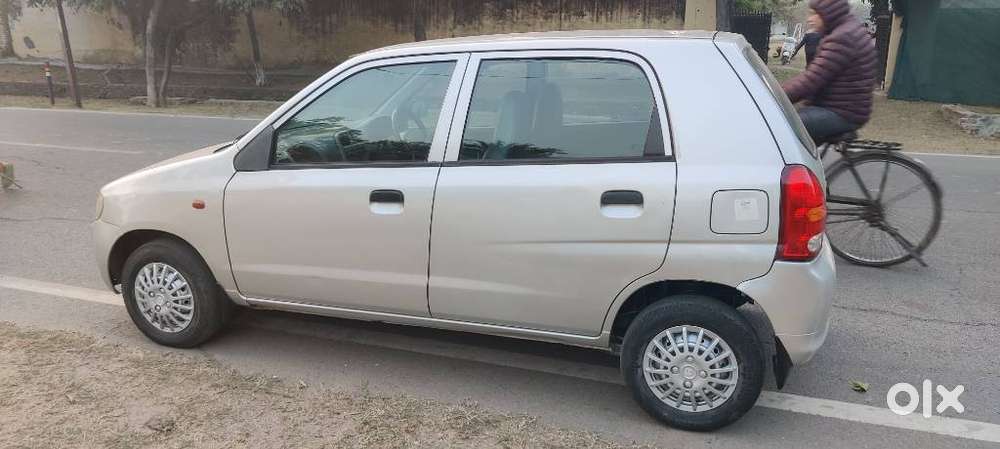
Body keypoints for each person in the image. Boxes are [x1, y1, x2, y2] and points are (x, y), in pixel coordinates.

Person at [782, 0, 877, 145]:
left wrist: (778, 96)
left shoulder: (842, 37)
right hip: (846, 108)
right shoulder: (847, 29)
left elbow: (812, 80)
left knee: (784, 126)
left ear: (829, 13)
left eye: (814, 14)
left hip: (842, 112)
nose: (809, 19)